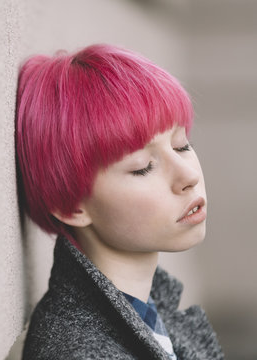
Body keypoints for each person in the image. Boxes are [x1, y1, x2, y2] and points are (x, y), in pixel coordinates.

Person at [15, 44, 224, 359]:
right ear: (72, 205)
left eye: (182, 145)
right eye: (143, 167)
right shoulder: (78, 350)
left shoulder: (147, 311)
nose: (188, 176)